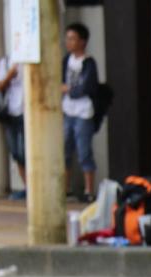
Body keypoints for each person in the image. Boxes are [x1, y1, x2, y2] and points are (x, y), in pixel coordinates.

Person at [62, 22, 99, 203]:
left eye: (72, 38)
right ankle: (65, 188)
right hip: (67, 110)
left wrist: (68, 89)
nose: (68, 42)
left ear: (82, 41)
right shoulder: (65, 60)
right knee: (64, 151)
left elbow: (87, 87)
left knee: (84, 152)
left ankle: (89, 190)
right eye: (67, 38)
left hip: (84, 112)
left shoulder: (89, 62)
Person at [0, 56, 26, 200]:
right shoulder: (6, 62)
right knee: (16, 152)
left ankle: (34, 187)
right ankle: (27, 187)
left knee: (25, 151)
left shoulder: (30, 59)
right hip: (11, 112)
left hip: (27, 112)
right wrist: (10, 75)